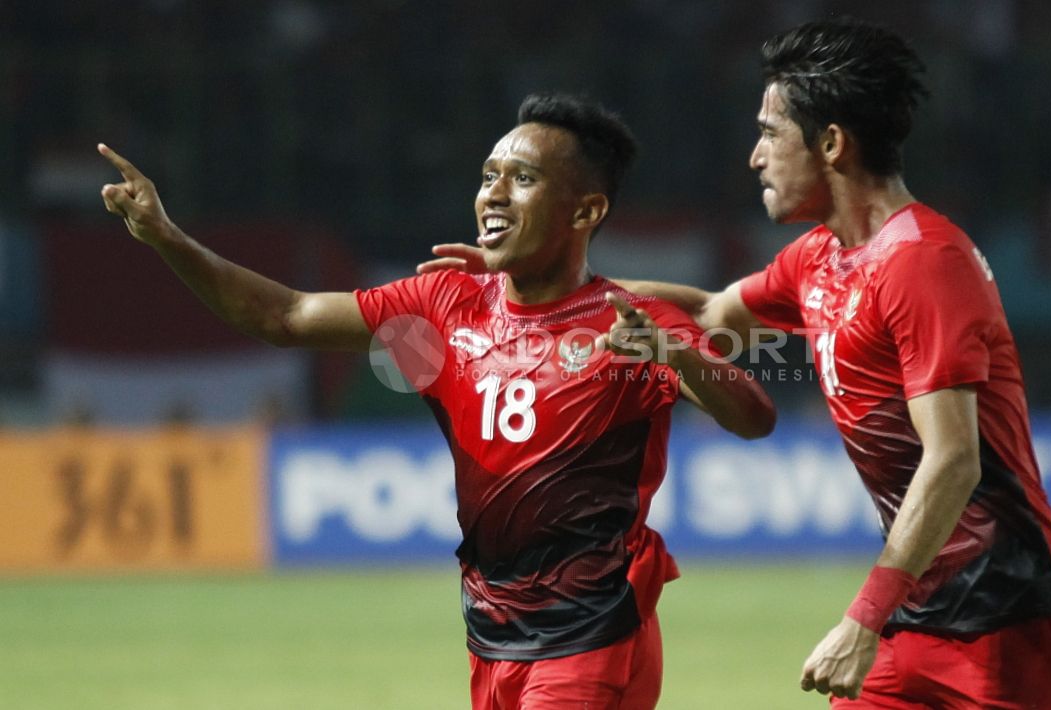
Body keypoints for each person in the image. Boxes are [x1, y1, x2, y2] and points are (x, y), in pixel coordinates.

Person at [420, 20, 1051, 709]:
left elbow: (953, 459)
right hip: (919, 616)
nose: (755, 157)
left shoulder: (924, 262)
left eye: (770, 133)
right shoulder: (820, 260)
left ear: (831, 144)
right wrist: (543, 275)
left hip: (1015, 620)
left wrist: (864, 616)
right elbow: (713, 312)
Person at [98, 93, 777, 709]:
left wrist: (676, 352)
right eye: (488, 177)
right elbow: (288, 317)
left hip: (593, 629)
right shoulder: (443, 304)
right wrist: (168, 239)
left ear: (586, 210)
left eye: (524, 179)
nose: (494, 196)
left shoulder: (635, 324)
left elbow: (753, 417)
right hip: (493, 634)